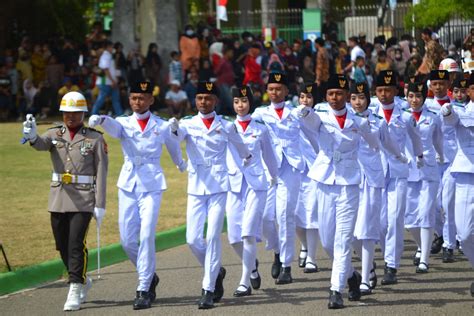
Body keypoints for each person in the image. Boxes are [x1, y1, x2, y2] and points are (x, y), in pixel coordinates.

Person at [88, 81, 186, 310]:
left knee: (147, 234)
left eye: (142, 98)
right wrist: (100, 119)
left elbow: (172, 145)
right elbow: (113, 128)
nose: (137, 102)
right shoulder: (124, 122)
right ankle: (149, 274)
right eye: (133, 98)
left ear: (151, 100)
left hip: (151, 184)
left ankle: (143, 287)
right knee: (127, 240)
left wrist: (181, 163)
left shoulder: (160, 125)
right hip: (129, 183)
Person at [169, 81, 252, 309]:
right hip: (196, 186)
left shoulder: (225, 126)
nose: (203, 102)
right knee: (192, 239)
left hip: (218, 186)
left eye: (208, 98)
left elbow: (241, 146)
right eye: (199, 98)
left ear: (215, 101)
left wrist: (248, 158)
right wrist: (174, 130)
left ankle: (208, 287)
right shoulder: (189, 124)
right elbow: (175, 139)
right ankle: (216, 270)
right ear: (195, 100)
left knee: (213, 236)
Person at [22, 91, 108, 311]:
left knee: (76, 243)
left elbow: (102, 171)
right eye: (67, 112)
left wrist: (100, 204)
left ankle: (75, 286)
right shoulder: (54, 133)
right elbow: (41, 144)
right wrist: (31, 136)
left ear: (83, 113)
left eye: (76, 112)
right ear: (62, 113)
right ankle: (81, 278)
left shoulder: (94, 138)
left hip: (84, 198)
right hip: (59, 196)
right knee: (61, 243)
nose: (71, 116)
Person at [300, 75, 378, 309]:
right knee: (326, 240)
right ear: (325, 96)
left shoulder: (358, 120)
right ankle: (352, 275)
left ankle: (335, 290)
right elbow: (309, 121)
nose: (335, 98)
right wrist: (304, 111)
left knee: (343, 239)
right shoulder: (320, 116)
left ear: (346, 96)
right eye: (331, 94)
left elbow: (374, 143)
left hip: (349, 181)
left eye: (340, 94)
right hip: (324, 179)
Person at [252, 72, 318, 285]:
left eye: (279, 89)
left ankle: (287, 266)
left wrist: (321, 158)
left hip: (291, 167)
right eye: (271, 88)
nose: (275, 92)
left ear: (287, 91)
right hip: (269, 169)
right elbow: (244, 130)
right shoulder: (260, 114)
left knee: (285, 215)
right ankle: (278, 251)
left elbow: (313, 136)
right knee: (264, 217)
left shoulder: (295, 113)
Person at [349, 82, 405, 295]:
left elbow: (389, 144)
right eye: (353, 98)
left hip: (372, 179)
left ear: (368, 99)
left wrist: (400, 156)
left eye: (361, 98)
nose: (357, 102)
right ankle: (369, 265)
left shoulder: (377, 122)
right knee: (351, 231)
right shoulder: (343, 120)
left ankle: (365, 277)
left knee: (368, 228)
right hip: (350, 178)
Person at [371, 70, 424, 285]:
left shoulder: (405, 113)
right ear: (375, 91)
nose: (384, 94)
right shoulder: (370, 111)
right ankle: (386, 255)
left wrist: (419, 156)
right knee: (381, 222)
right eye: (380, 90)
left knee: (395, 218)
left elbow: (415, 138)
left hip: (400, 171)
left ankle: (391, 265)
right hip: (376, 172)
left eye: (388, 90)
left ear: (395, 90)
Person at [226, 86, 278, 297]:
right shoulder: (226, 127)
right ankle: (253, 266)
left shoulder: (261, 127)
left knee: (248, 233)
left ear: (251, 102)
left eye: (244, 101)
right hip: (234, 184)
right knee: (233, 238)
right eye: (237, 101)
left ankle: (244, 281)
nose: (241, 105)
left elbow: (270, 156)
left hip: (257, 184)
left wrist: (274, 176)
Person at [404, 81, 444, 273]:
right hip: (409, 170)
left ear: (424, 97)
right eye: (411, 96)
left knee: (426, 212)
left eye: (418, 96)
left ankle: (425, 259)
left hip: (429, 169)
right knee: (410, 217)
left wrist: (442, 158)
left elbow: (438, 142)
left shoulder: (433, 117)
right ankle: (421, 245)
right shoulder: (401, 116)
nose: (414, 100)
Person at [440, 73, 474, 295]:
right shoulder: (461, 110)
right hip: (465, 175)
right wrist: (447, 109)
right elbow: (451, 119)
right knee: (465, 233)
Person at [424, 70, 457, 262]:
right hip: (431, 161)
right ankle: (441, 234)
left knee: (448, 203)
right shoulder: (425, 106)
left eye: (442, 84)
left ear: (448, 85)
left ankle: (449, 245)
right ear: (430, 86)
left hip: (452, 160)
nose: (438, 87)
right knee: (433, 204)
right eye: (435, 83)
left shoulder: (455, 106)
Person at [295, 83, 320, 274]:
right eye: (302, 96)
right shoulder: (292, 113)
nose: (305, 101)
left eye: (309, 97)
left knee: (312, 214)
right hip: (295, 170)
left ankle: (311, 256)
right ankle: (303, 245)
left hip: (315, 170)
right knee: (296, 214)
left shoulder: (320, 116)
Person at [91, 41, 123, 116]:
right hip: (105, 82)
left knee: (115, 99)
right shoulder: (106, 56)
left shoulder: (109, 56)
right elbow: (105, 69)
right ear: (108, 47)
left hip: (110, 82)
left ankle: (120, 115)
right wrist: (112, 81)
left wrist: (115, 80)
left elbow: (112, 69)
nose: (113, 49)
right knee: (101, 99)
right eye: (112, 47)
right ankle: (94, 113)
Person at [315, 38, 330, 104]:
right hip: (326, 75)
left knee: (319, 96)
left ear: (317, 44)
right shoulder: (326, 51)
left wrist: (318, 78)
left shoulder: (320, 52)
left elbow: (319, 66)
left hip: (321, 77)